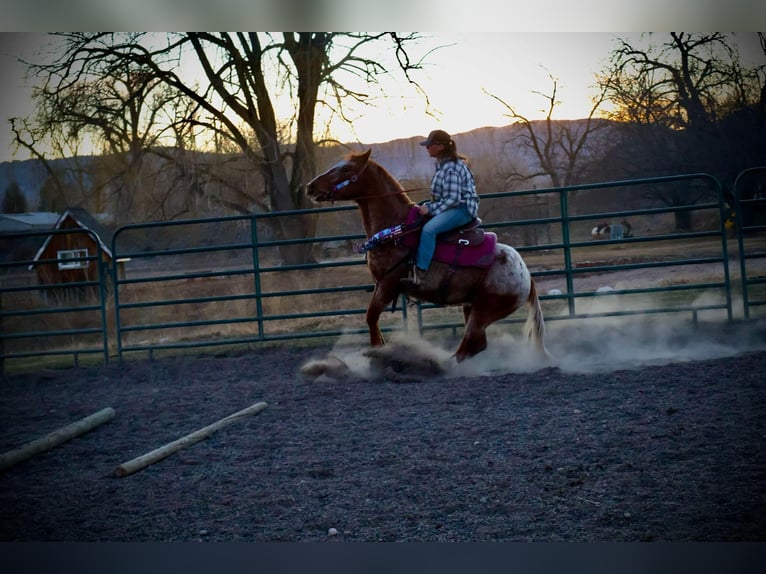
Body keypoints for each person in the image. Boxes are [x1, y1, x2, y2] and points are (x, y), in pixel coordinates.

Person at [403, 129, 480, 291]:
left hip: (462, 209)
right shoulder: (443, 165)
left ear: (439, 146)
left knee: (429, 230)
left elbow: (453, 198)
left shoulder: (451, 168)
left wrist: (430, 209)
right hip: (452, 206)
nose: (427, 148)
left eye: (429, 145)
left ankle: (421, 272)